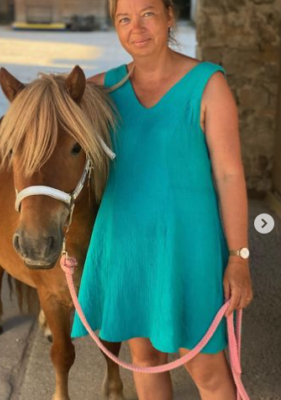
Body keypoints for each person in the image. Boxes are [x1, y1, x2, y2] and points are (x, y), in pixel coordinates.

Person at [70, 0, 254, 399]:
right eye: (124, 18)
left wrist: (239, 257)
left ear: (171, 15)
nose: (136, 27)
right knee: (145, 359)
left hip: (188, 250)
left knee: (208, 372)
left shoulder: (208, 83)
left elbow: (229, 174)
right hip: (127, 246)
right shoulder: (103, 89)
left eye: (148, 13)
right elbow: (50, 123)